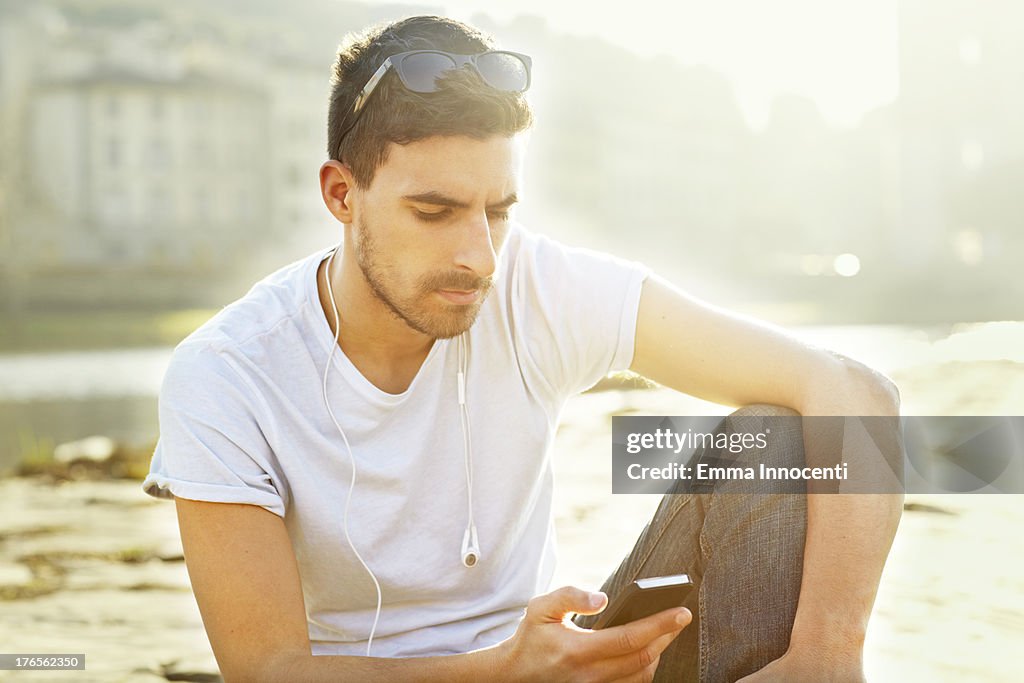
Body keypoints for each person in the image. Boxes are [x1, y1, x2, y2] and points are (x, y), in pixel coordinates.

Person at [142, 15, 902, 683]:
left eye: (497, 211)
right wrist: (498, 672)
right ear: (341, 193)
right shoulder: (228, 373)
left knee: (771, 437)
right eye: (434, 211)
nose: (479, 256)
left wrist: (828, 654)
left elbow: (853, 388)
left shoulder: (536, 285)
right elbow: (267, 668)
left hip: (552, 666)